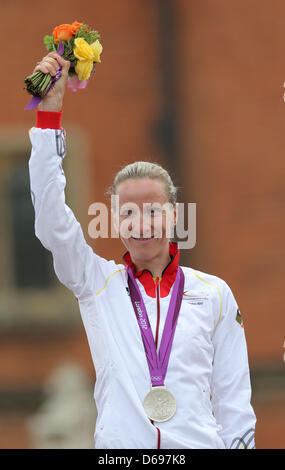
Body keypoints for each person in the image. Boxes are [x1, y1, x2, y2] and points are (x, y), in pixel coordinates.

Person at [28, 51, 257, 449]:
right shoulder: (95, 282)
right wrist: (49, 116)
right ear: (115, 220)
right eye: (128, 212)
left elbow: (233, 397)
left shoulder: (215, 294)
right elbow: (51, 218)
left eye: (153, 210)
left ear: (173, 216)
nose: (141, 223)